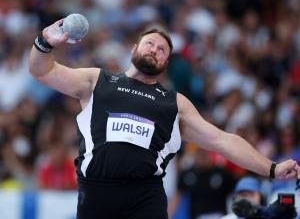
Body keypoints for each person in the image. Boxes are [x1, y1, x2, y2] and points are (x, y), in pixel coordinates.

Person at [29, 18, 300, 219]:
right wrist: (44, 43)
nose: (155, 50)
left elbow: (221, 140)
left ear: (166, 63)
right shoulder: (97, 80)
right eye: (150, 44)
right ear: (135, 47)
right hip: (97, 194)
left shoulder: (174, 103)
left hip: (145, 197)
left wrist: (272, 169)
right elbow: (43, 71)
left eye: (162, 50)